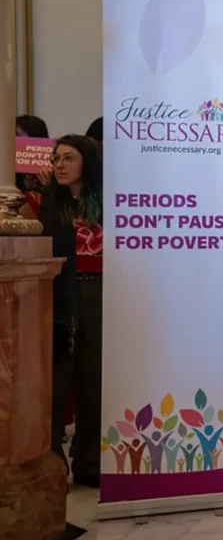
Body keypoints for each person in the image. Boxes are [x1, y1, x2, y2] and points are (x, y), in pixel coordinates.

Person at [48, 135, 104, 487]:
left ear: (87, 163)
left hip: (100, 293)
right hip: (58, 295)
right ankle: (53, 463)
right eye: (56, 158)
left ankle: (90, 462)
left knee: (94, 381)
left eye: (69, 158)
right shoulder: (43, 204)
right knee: (56, 383)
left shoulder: (107, 203)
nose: (59, 164)